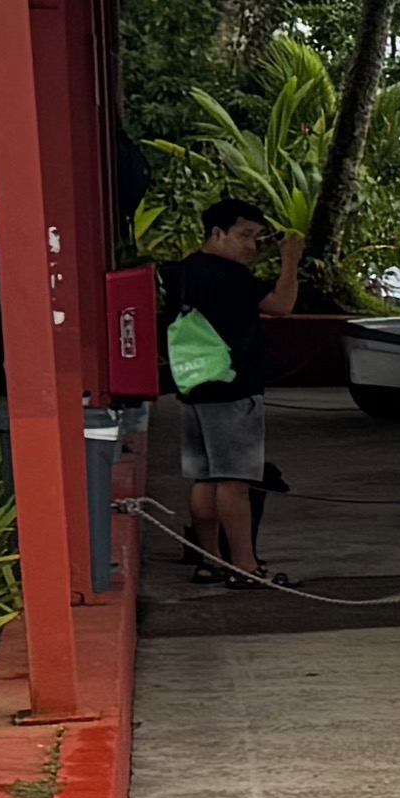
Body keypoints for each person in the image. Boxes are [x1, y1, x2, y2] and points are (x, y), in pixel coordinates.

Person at [148, 194, 276, 585]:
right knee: (234, 481)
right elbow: (283, 304)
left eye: (256, 238)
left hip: (194, 383)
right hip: (233, 388)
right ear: (217, 233)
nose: (251, 245)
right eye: (244, 235)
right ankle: (245, 566)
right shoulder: (233, 276)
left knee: (203, 479)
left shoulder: (183, 271)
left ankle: (210, 559)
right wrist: (290, 261)